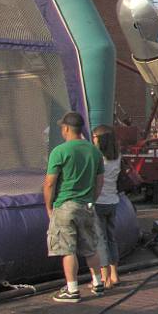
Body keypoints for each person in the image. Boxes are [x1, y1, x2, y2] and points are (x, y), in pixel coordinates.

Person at [44, 112, 105, 303]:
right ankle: (98, 283)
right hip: (86, 205)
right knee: (90, 247)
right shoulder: (94, 151)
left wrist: (49, 207)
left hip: (65, 205)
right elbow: (99, 181)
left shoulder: (59, 152)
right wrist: (91, 199)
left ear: (66, 129)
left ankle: (72, 290)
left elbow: (49, 183)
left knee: (68, 250)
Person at [92, 125, 121, 289]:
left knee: (100, 240)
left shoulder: (97, 158)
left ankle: (104, 278)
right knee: (111, 238)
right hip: (113, 200)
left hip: (99, 202)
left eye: (95, 137)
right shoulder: (117, 156)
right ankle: (115, 274)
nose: (93, 139)